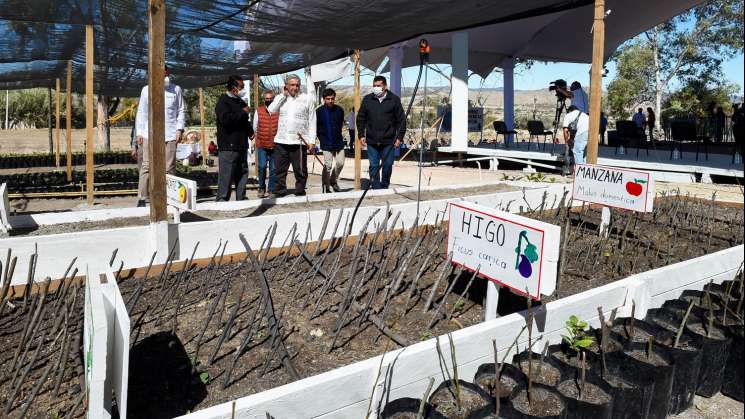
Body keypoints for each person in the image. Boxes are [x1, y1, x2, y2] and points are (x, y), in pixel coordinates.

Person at [133, 66, 185, 207]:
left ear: (167, 72)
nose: (161, 73)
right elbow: (142, 113)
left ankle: (170, 198)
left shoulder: (176, 89)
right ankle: (143, 198)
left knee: (169, 167)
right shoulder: (146, 90)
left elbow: (180, 111)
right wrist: (139, 133)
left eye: (164, 70)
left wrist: (179, 129)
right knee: (147, 166)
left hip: (170, 134)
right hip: (149, 134)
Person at [268, 74, 317, 196]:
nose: (295, 87)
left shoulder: (307, 99)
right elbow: (271, 110)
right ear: (286, 86)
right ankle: (279, 191)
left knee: (300, 169)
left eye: (297, 85)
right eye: (292, 85)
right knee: (280, 169)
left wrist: (312, 141)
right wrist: (282, 95)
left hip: (299, 141)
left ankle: (300, 190)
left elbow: (312, 120)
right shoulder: (281, 98)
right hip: (282, 140)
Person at [357, 75, 406, 189]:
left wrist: (400, 137)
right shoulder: (368, 99)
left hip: (388, 141)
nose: (376, 88)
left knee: (388, 165)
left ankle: (384, 185)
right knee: (373, 165)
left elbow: (401, 120)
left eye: (378, 86)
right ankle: (376, 187)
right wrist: (361, 134)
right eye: (374, 86)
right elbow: (360, 118)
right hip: (372, 140)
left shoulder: (394, 100)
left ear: (385, 86)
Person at [214, 75, 253, 201]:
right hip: (228, 146)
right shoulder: (223, 102)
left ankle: (241, 199)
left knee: (242, 173)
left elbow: (244, 121)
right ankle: (222, 201)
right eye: (241, 86)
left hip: (241, 144)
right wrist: (243, 112)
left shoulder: (240, 101)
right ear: (233, 88)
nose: (243, 89)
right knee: (226, 176)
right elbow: (226, 120)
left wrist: (250, 132)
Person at [316, 88, 345, 193]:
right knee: (328, 165)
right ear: (324, 99)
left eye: (332, 99)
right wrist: (319, 138)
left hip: (338, 142)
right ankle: (326, 186)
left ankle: (333, 180)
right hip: (325, 141)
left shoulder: (340, 110)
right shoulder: (319, 111)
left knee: (340, 163)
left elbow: (340, 124)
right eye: (328, 99)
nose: (330, 101)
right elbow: (316, 127)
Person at [252, 90, 279, 198]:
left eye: (270, 98)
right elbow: (255, 127)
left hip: (275, 144)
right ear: (264, 99)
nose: (268, 100)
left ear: (273, 99)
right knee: (262, 167)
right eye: (266, 98)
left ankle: (271, 190)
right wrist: (259, 139)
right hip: (262, 144)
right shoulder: (259, 111)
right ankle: (261, 188)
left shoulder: (278, 111)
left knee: (273, 169)